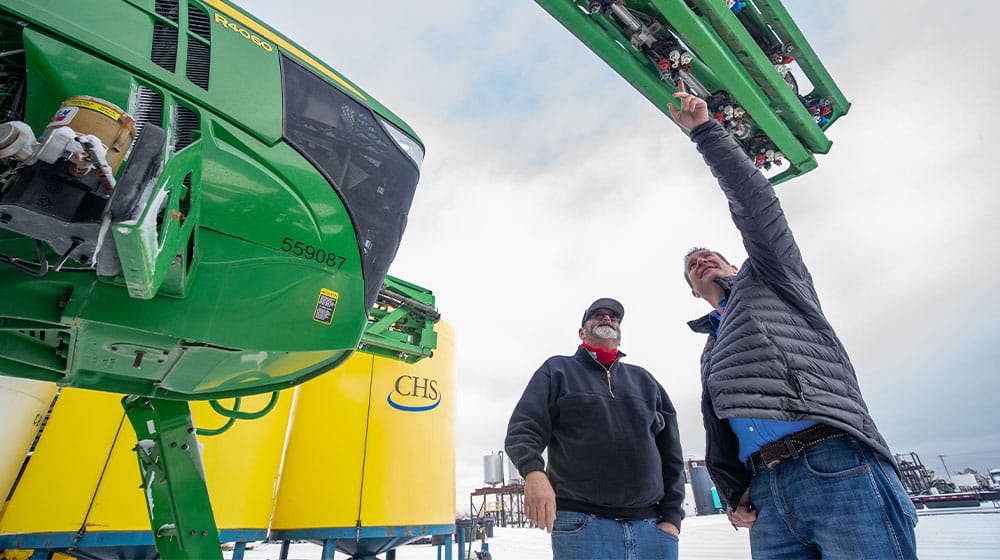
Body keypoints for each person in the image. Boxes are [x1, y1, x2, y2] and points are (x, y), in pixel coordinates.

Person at [669, 83, 918, 558]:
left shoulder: (773, 277)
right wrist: (733, 491)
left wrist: (705, 131)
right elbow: (720, 426)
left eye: (710, 256)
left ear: (737, 265)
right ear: (692, 291)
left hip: (833, 463)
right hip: (766, 493)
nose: (700, 260)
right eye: (692, 267)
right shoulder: (712, 347)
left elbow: (757, 206)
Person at [505, 298, 685, 560]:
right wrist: (534, 473)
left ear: (620, 337)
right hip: (582, 526)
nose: (607, 318)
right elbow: (524, 428)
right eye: (598, 315)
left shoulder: (645, 380)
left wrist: (671, 519)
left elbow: (671, 453)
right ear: (581, 332)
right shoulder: (557, 370)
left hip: (652, 528)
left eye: (614, 317)